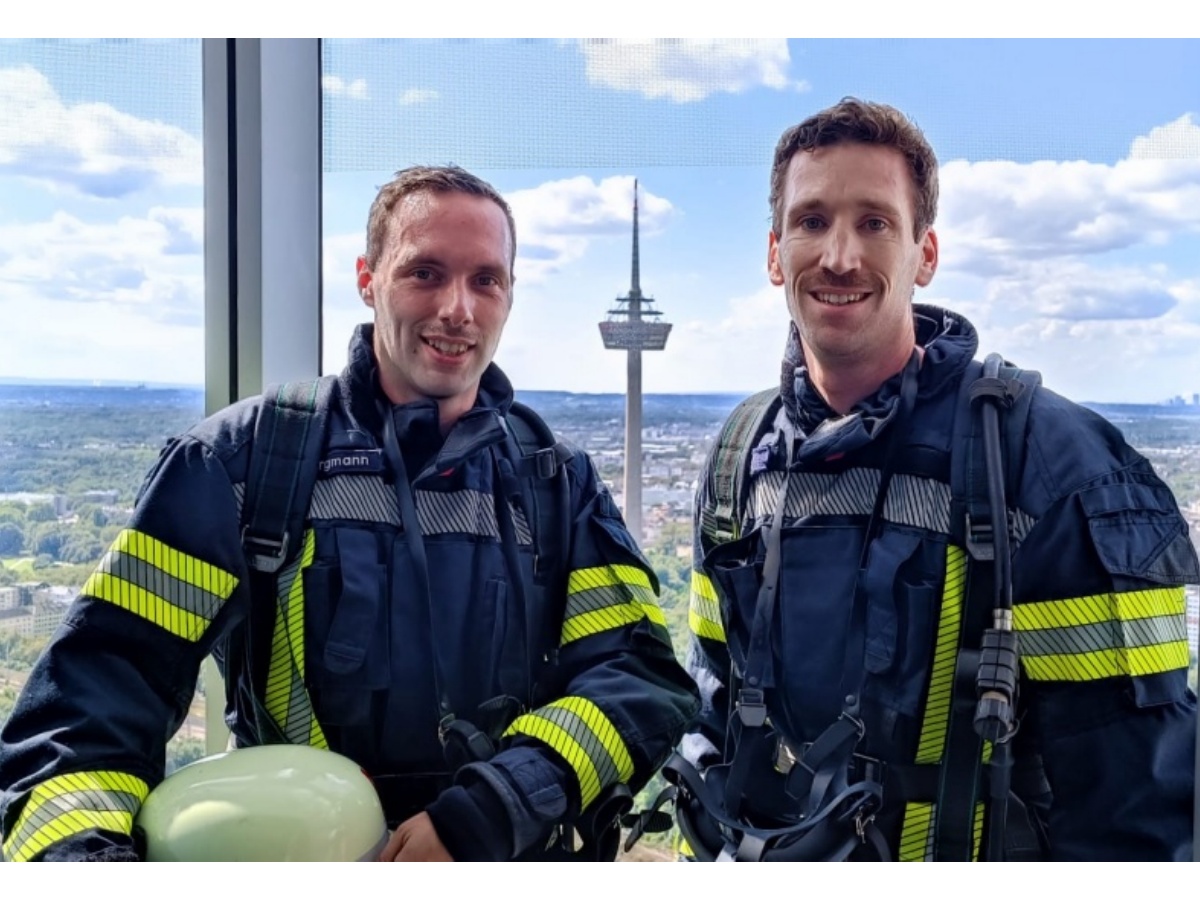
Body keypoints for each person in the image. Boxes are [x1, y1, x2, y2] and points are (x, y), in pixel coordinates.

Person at [0, 165, 700, 862]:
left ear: (509, 296)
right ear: (368, 279)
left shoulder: (552, 480)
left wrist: (492, 808)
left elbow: (637, 678)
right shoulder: (243, 465)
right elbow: (90, 703)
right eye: (425, 272)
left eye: (486, 279)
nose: (458, 308)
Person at [680, 98, 1198, 861]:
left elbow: (1137, 817)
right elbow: (715, 710)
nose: (840, 256)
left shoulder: (1050, 464)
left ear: (925, 254)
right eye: (812, 220)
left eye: (875, 223)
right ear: (773, 252)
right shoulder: (739, 457)